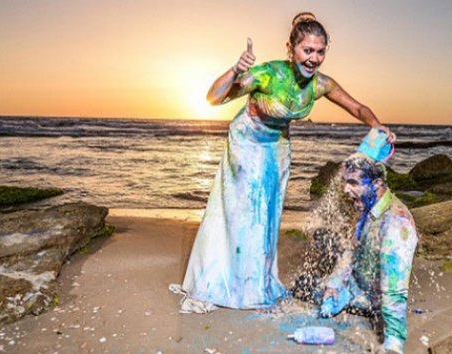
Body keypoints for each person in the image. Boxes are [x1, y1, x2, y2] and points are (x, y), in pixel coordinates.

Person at [170, 12, 396, 312]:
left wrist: (377, 124)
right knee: (243, 213)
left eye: (320, 51)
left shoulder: (320, 85)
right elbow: (214, 98)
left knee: (266, 215)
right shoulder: (267, 74)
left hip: (277, 148)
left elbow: (357, 107)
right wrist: (235, 70)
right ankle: (227, 283)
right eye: (307, 50)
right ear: (290, 49)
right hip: (246, 142)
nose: (313, 58)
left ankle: (257, 281)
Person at [319, 153, 418, 354]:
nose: (346, 189)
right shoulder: (369, 209)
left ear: (377, 183)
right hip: (354, 287)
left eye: (353, 182)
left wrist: (393, 344)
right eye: (345, 182)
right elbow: (352, 252)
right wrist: (335, 283)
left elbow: (394, 291)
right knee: (307, 285)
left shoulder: (396, 224)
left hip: (371, 299)